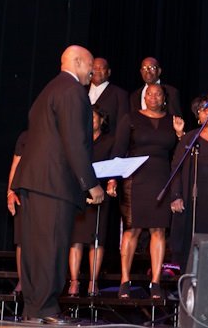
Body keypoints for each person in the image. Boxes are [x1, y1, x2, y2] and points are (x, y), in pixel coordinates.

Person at [10, 45, 104, 324]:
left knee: (34, 249)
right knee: (51, 247)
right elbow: (74, 142)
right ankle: (46, 308)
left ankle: (34, 308)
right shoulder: (72, 91)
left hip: (35, 182)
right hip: (53, 183)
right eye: (90, 66)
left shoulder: (48, 90)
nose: (92, 73)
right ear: (77, 62)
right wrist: (90, 184)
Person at [112, 83, 185, 299]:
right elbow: (119, 149)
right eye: (149, 94)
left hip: (161, 178)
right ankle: (125, 281)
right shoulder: (131, 118)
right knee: (132, 229)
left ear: (164, 98)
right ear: (144, 97)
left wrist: (180, 134)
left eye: (158, 94)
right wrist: (112, 179)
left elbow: (180, 153)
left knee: (158, 230)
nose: (153, 97)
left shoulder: (172, 120)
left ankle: (155, 282)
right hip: (134, 178)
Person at [169, 95, 208, 267]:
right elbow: (177, 168)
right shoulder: (190, 139)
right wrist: (176, 195)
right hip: (194, 200)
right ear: (197, 115)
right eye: (203, 109)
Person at [67, 106, 117, 296]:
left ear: (101, 120)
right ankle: (74, 281)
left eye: (93, 117)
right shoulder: (79, 140)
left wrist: (112, 183)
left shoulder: (110, 141)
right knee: (76, 239)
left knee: (97, 239)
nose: (89, 121)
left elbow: (114, 165)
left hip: (100, 193)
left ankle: (93, 282)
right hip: (79, 192)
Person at [6, 130, 28, 295]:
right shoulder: (25, 136)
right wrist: (10, 192)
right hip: (23, 193)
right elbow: (15, 165)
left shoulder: (58, 134)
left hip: (47, 195)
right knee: (22, 239)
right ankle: (23, 280)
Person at [88, 57, 129, 134]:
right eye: (94, 68)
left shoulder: (120, 94)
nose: (98, 70)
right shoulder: (81, 91)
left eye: (102, 68)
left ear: (109, 72)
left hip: (108, 140)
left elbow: (122, 127)